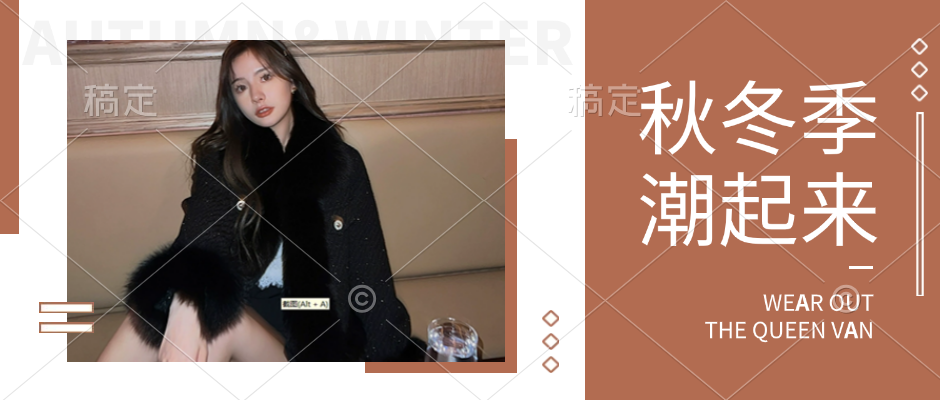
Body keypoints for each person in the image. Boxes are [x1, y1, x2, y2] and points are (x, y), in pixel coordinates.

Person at [98, 40, 422, 362]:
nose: (256, 95)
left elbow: (370, 271)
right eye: (241, 87)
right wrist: (187, 305)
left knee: (223, 325)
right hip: (244, 303)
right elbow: (203, 236)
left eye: (265, 77)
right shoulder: (223, 161)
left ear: (291, 80)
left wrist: (394, 363)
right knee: (144, 319)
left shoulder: (342, 166)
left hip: (307, 327)